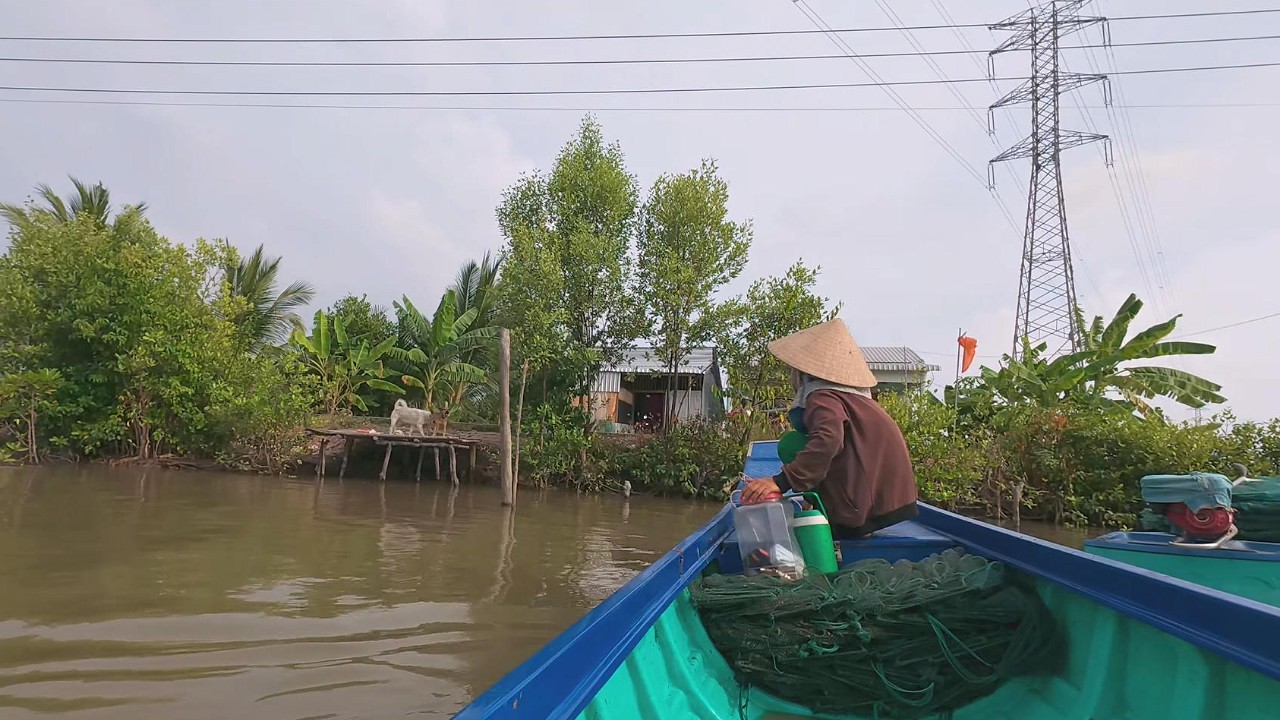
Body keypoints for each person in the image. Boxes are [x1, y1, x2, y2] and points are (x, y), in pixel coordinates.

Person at [739, 318, 919, 538]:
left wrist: (780, 482)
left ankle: (848, 518)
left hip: (867, 507)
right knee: (801, 443)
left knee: (790, 444)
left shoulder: (822, 397)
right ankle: (835, 509)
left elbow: (829, 439)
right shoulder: (852, 397)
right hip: (892, 501)